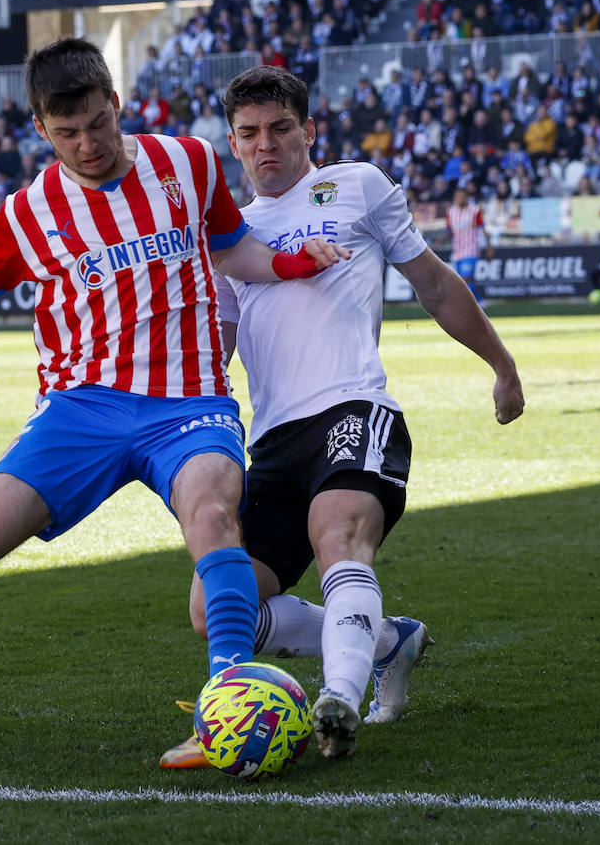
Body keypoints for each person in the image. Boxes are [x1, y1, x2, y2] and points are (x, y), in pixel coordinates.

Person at [0, 38, 348, 746]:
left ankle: (230, 701)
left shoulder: (186, 162)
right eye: (66, 133)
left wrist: (292, 264)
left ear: (115, 103)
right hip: (81, 407)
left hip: (190, 401)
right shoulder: (28, 211)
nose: (87, 143)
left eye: (97, 122)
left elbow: (230, 246)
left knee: (213, 518)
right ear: (40, 129)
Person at [160, 66, 525, 767]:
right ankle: (389, 641)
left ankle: (339, 700)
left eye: (280, 128)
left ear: (307, 130)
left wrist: (502, 366)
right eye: (249, 133)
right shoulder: (230, 238)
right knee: (216, 609)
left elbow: (435, 285)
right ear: (232, 144)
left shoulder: (357, 184)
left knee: (337, 539)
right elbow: (218, 349)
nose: (265, 144)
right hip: (270, 445)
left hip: (355, 409)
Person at [445, 187, 490, 301]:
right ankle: (479, 301)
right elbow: (449, 231)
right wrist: (437, 244)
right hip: (457, 252)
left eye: (462, 196)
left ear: (467, 197)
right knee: (461, 281)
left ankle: (477, 303)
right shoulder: (451, 212)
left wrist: (490, 246)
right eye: (458, 196)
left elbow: (483, 229)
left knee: (466, 278)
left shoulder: (475, 211)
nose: (460, 198)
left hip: (471, 250)